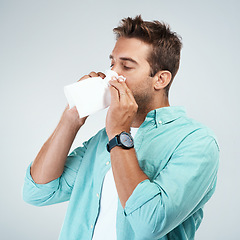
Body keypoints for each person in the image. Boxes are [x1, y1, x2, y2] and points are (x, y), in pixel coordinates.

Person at [23, 15, 219, 240]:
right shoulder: (101, 140)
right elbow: (37, 192)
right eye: (112, 64)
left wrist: (119, 134)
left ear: (160, 80)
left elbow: (149, 224)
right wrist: (72, 117)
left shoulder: (197, 142)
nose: (111, 76)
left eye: (126, 66)